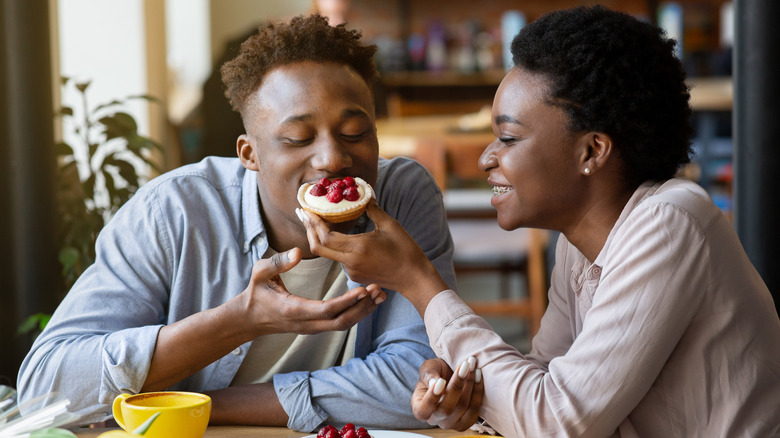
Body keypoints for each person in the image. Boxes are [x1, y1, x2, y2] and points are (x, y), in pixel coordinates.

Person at [297, 6, 780, 437]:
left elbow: (559, 421)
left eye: (507, 139)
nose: (488, 158)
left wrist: (417, 281)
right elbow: (548, 380)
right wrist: (469, 399)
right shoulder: (580, 241)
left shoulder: (671, 221)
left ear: (591, 150)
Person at [17, 14, 458, 433]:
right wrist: (238, 322)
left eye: (355, 133)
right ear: (249, 154)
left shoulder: (401, 196)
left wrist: (206, 406)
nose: (333, 159)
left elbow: (420, 382)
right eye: (298, 139)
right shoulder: (172, 212)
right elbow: (45, 388)